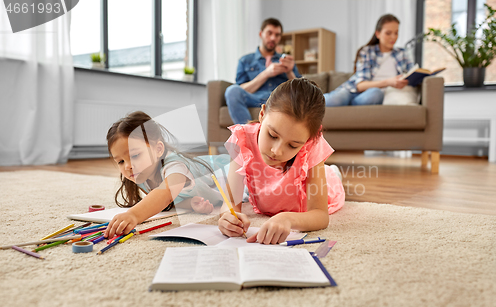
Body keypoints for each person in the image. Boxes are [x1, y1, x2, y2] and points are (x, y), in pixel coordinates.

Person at [218, 78, 345, 245]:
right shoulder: (242, 139)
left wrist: (287, 219)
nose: (276, 151)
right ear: (262, 114)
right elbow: (231, 202)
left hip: (313, 188)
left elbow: (320, 215)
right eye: (272, 135)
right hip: (271, 192)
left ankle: (331, 172)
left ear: (307, 140)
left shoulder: (311, 146)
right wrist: (228, 216)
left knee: (328, 179)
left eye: (293, 145)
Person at [104, 111, 230, 238]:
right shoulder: (142, 175)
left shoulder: (176, 166)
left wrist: (134, 214)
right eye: (120, 161)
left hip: (232, 173)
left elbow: (166, 194)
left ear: (158, 149)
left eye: (135, 155)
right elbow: (169, 202)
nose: (127, 166)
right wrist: (189, 203)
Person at [323, 14, 414, 106]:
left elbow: (412, 73)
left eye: (396, 33)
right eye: (388, 33)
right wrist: (388, 82)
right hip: (352, 91)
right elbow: (360, 85)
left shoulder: (402, 53)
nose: (393, 37)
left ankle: (350, 106)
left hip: (372, 96)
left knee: (375, 93)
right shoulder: (367, 51)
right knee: (335, 100)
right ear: (378, 34)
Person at [225, 17, 301, 125]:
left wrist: (289, 72)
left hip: (280, 99)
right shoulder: (245, 60)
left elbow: (301, 91)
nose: (273, 38)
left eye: (277, 35)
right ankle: (248, 133)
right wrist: (266, 73)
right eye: (269, 33)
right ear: (261, 34)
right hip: (255, 98)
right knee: (231, 91)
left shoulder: (286, 61)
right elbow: (240, 89)